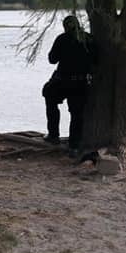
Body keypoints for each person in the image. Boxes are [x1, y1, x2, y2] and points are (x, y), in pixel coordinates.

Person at [43, 14, 95, 156]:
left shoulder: (62, 39)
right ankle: (74, 145)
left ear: (66, 26)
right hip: (81, 82)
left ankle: (53, 135)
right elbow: (96, 60)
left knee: (49, 96)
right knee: (76, 114)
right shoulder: (89, 38)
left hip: (63, 81)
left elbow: (52, 59)